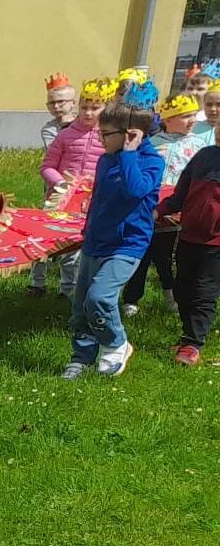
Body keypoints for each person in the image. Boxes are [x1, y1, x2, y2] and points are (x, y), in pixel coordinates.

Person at [62, 93, 166, 380]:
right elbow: (99, 199)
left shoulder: (151, 162)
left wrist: (129, 155)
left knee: (100, 298)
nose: (100, 139)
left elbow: (135, 190)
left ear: (130, 134)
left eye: (105, 134)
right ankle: (81, 358)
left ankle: (116, 344)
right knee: (81, 306)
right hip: (96, 242)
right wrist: (88, 230)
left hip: (127, 245)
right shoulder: (106, 160)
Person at [34, 77, 116, 297]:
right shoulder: (66, 134)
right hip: (60, 198)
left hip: (91, 202)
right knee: (46, 240)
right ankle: (37, 283)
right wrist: (60, 183)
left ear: (107, 108)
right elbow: (47, 166)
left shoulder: (110, 137)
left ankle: (68, 290)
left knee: (75, 251)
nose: (88, 113)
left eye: (95, 108)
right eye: (84, 107)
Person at [124, 92, 203, 314]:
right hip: (148, 209)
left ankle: (171, 294)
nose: (192, 120)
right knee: (142, 253)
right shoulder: (153, 143)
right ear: (167, 119)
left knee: (165, 256)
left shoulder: (199, 146)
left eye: (193, 115)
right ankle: (131, 298)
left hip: (175, 212)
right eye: (185, 116)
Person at [157, 132, 220, 363]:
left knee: (204, 292)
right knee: (182, 289)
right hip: (188, 236)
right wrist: (158, 211)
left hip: (216, 243)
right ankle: (187, 336)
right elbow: (180, 195)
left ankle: (193, 343)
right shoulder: (204, 156)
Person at [43, 73, 79, 151]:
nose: (56, 106)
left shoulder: (82, 122)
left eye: (61, 102)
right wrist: (64, 127)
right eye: (52, 103)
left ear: (73, 103)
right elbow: (55, 151)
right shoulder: (49, 130)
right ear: (47, 106)